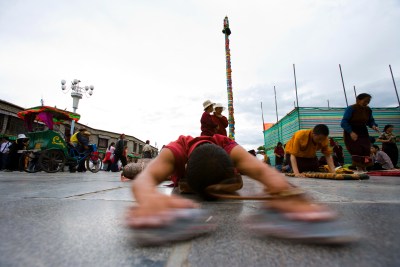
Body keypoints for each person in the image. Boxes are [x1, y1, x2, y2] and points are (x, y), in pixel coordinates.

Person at [126, 134, 353, 245]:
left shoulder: (228, 146)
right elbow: (145, 181)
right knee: (134, 170)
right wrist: (148, 198)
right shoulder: (176, 149)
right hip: (166, 167)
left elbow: (265, 173)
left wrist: (288, 194)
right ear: (183, 170)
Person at [341, 93, 379, 172]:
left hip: (363, 131)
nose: (366, 103)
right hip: (351, 130)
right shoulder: (351, 108)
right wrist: (351, 132)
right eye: (365, 101)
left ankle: (364, 168)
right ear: (358, 100)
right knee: (356, 150)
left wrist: (373, 126)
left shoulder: (368, 110)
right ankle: (359, 169)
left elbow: (370, 120)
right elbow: (344, 122)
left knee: (365, 149)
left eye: (368, 102)